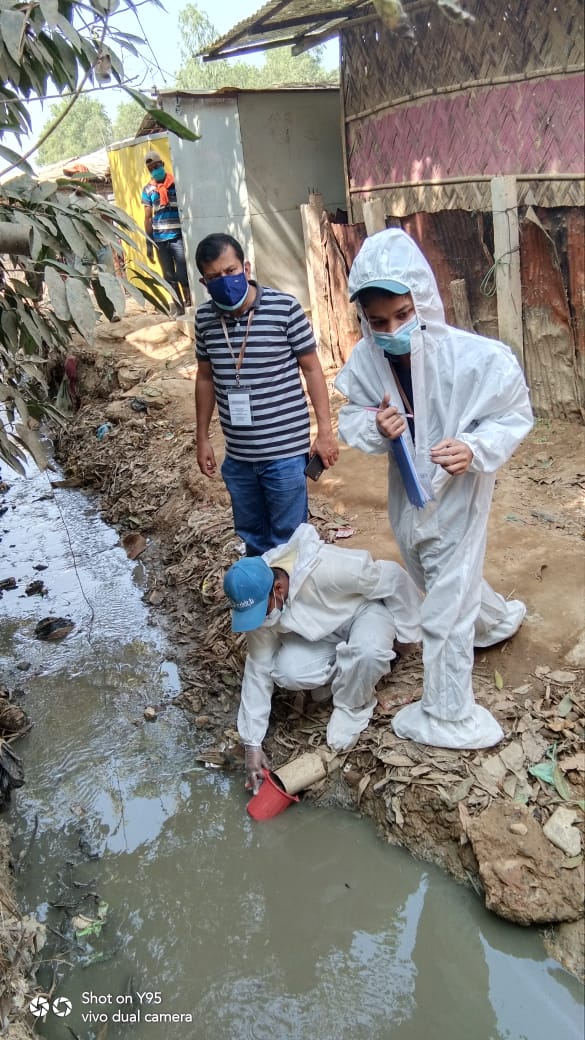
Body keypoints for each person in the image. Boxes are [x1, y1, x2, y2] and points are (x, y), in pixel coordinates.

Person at [335, 228, 534, 751]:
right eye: (378, 322)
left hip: (459, 488)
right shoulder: (366, 358)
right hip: (408, 492)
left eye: (402, 315)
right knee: (433, 569)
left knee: (444, 601)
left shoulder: (474, 358)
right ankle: (496, 621)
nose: (393, 329)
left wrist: (474, 447)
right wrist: (376, 428)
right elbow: (349, 416)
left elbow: (511, 415)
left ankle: (449, 714)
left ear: (420, 300)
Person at [223, 522, 422, 793]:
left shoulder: (327, 569)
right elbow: (258, 668)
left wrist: (408, 634)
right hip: (323, 637)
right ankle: (348, 672)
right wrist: (252, 744)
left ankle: (352, 706)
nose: (259, 620)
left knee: (368, 653)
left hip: (363, 614)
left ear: (278, 589)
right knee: (287, 672)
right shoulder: (261, 604)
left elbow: (393, 577)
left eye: (262, 610)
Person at [195, 232, 338, 556]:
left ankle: (292, 603)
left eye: (230, 271)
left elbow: (313, 369)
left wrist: (325, 432)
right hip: (240, 458)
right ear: (205, 282)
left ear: (246, 268)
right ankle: (267, 601)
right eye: (215, 276)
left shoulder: (284, 309)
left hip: (285, 454)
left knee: (289, 540)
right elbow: (205, 377)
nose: (225, 280)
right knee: (253, 538)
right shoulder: (204, 319)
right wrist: (202, 436)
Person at [141, 149, 191, 317]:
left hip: (177, 237)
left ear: (162, 164)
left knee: (182, 274)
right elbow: (148, 218)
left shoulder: (176, 183)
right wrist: (149, 243)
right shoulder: (148, 190)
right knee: (169, 277)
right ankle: (179, 308)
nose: (155, 170)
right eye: (151, 169)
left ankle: (189, 303)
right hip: (160, 239)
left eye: (156, 166)